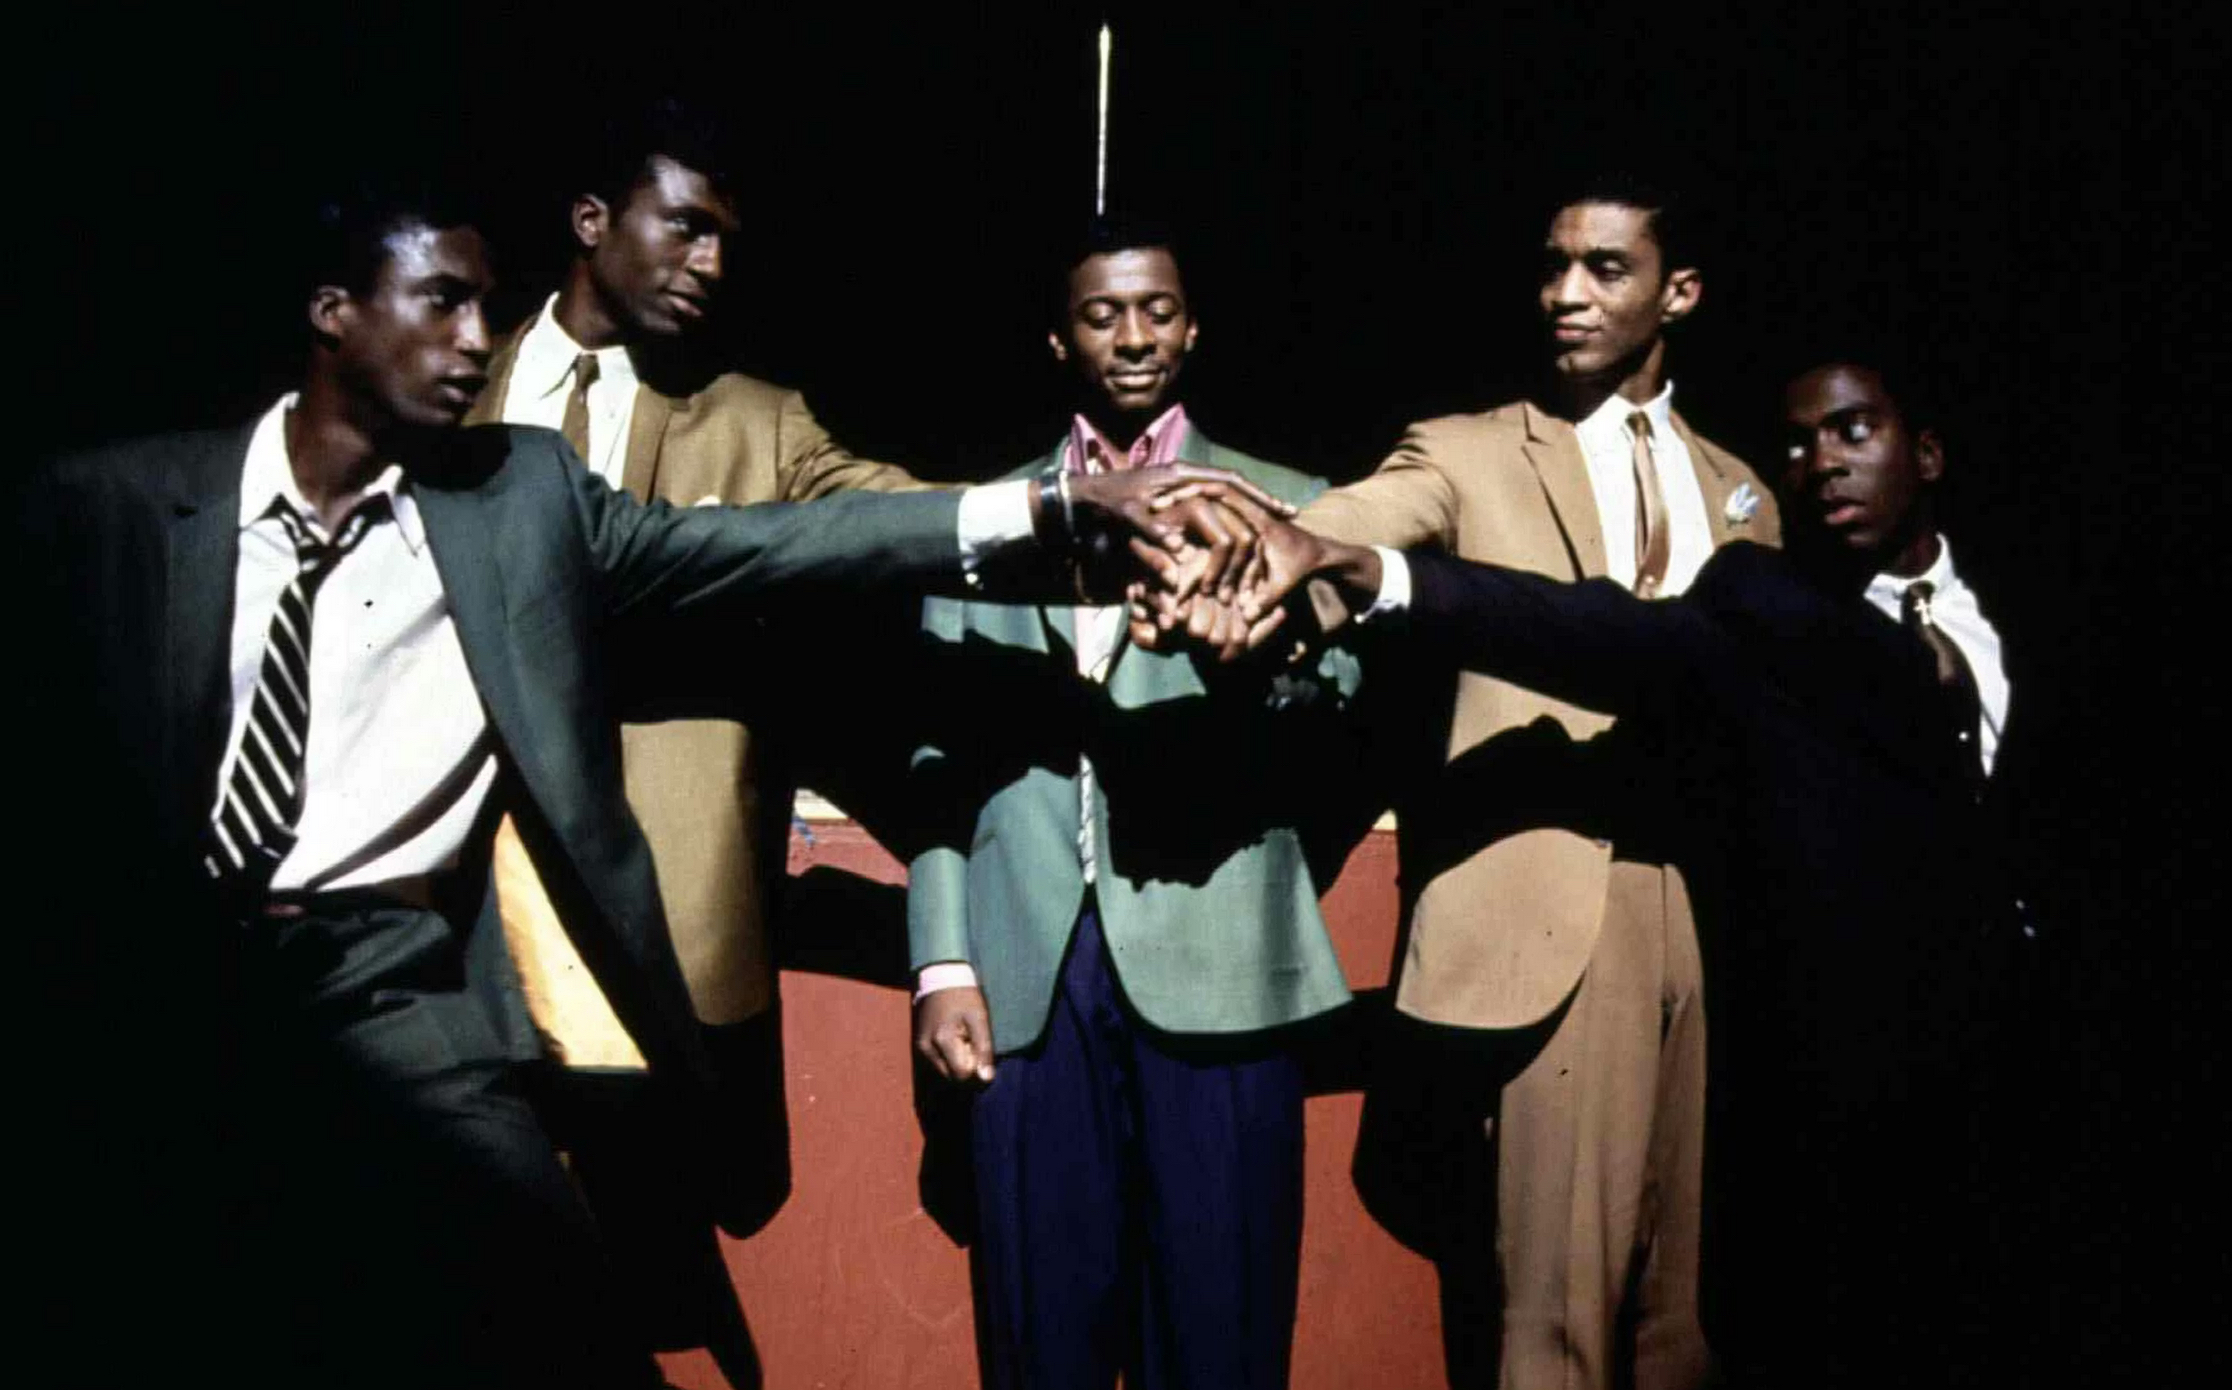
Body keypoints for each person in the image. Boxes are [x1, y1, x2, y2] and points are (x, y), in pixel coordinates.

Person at [10, 177, 1273, 1387]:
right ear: (335, 314)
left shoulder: (518, 497)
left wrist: (1052, 511)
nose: (472, 337)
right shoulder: (112, 505)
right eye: (439, 301)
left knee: (553, 1311)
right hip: (169, 970)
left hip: (400, 987)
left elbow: (783, 542)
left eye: (480, 304)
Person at [1199, 350, 2021, 1388]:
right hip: (1829, 1121)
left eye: (1854, 432)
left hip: (1998, 1109)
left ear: (1929, 451)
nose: (1821, 464)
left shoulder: (2034, 613)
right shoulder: (1763, 607)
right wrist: (1371, 571)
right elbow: (1581, 629)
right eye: (1801, 443)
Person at [461, 98, 933, 1380]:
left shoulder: (756, 418)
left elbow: (895, 516)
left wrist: (1067, 514)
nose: (712, 263)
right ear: (591, 222)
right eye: (686, 228)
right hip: (462, 907)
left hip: (665, 922)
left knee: (643, 1287)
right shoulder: (457, 390)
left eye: (728, 239)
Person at [1287, 176, 1778, 1388]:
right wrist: (1259, 557)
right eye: (1553, 263)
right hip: (1556, 909)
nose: (1566, 293)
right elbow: (1349, 529)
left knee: (1692, 1325)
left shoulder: (1747, 492)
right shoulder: (1465, 450)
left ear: (1682, 292)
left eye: (1606, 268)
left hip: (1716, 922)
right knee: (1553, 1323)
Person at [906, 221, 1360, 1390]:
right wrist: (942, 961)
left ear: (1193, 325)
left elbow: (1342, 707)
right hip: (1028, 971)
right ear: (1060, 338)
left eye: (1157, 309)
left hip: (1220, 961)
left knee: (1223, 1333)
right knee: (1039, 1336)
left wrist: (1254, 654)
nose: (1134, 336)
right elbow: (938, 757)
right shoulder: (989, 520)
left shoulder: (1286, 503)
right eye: (1103, 314)